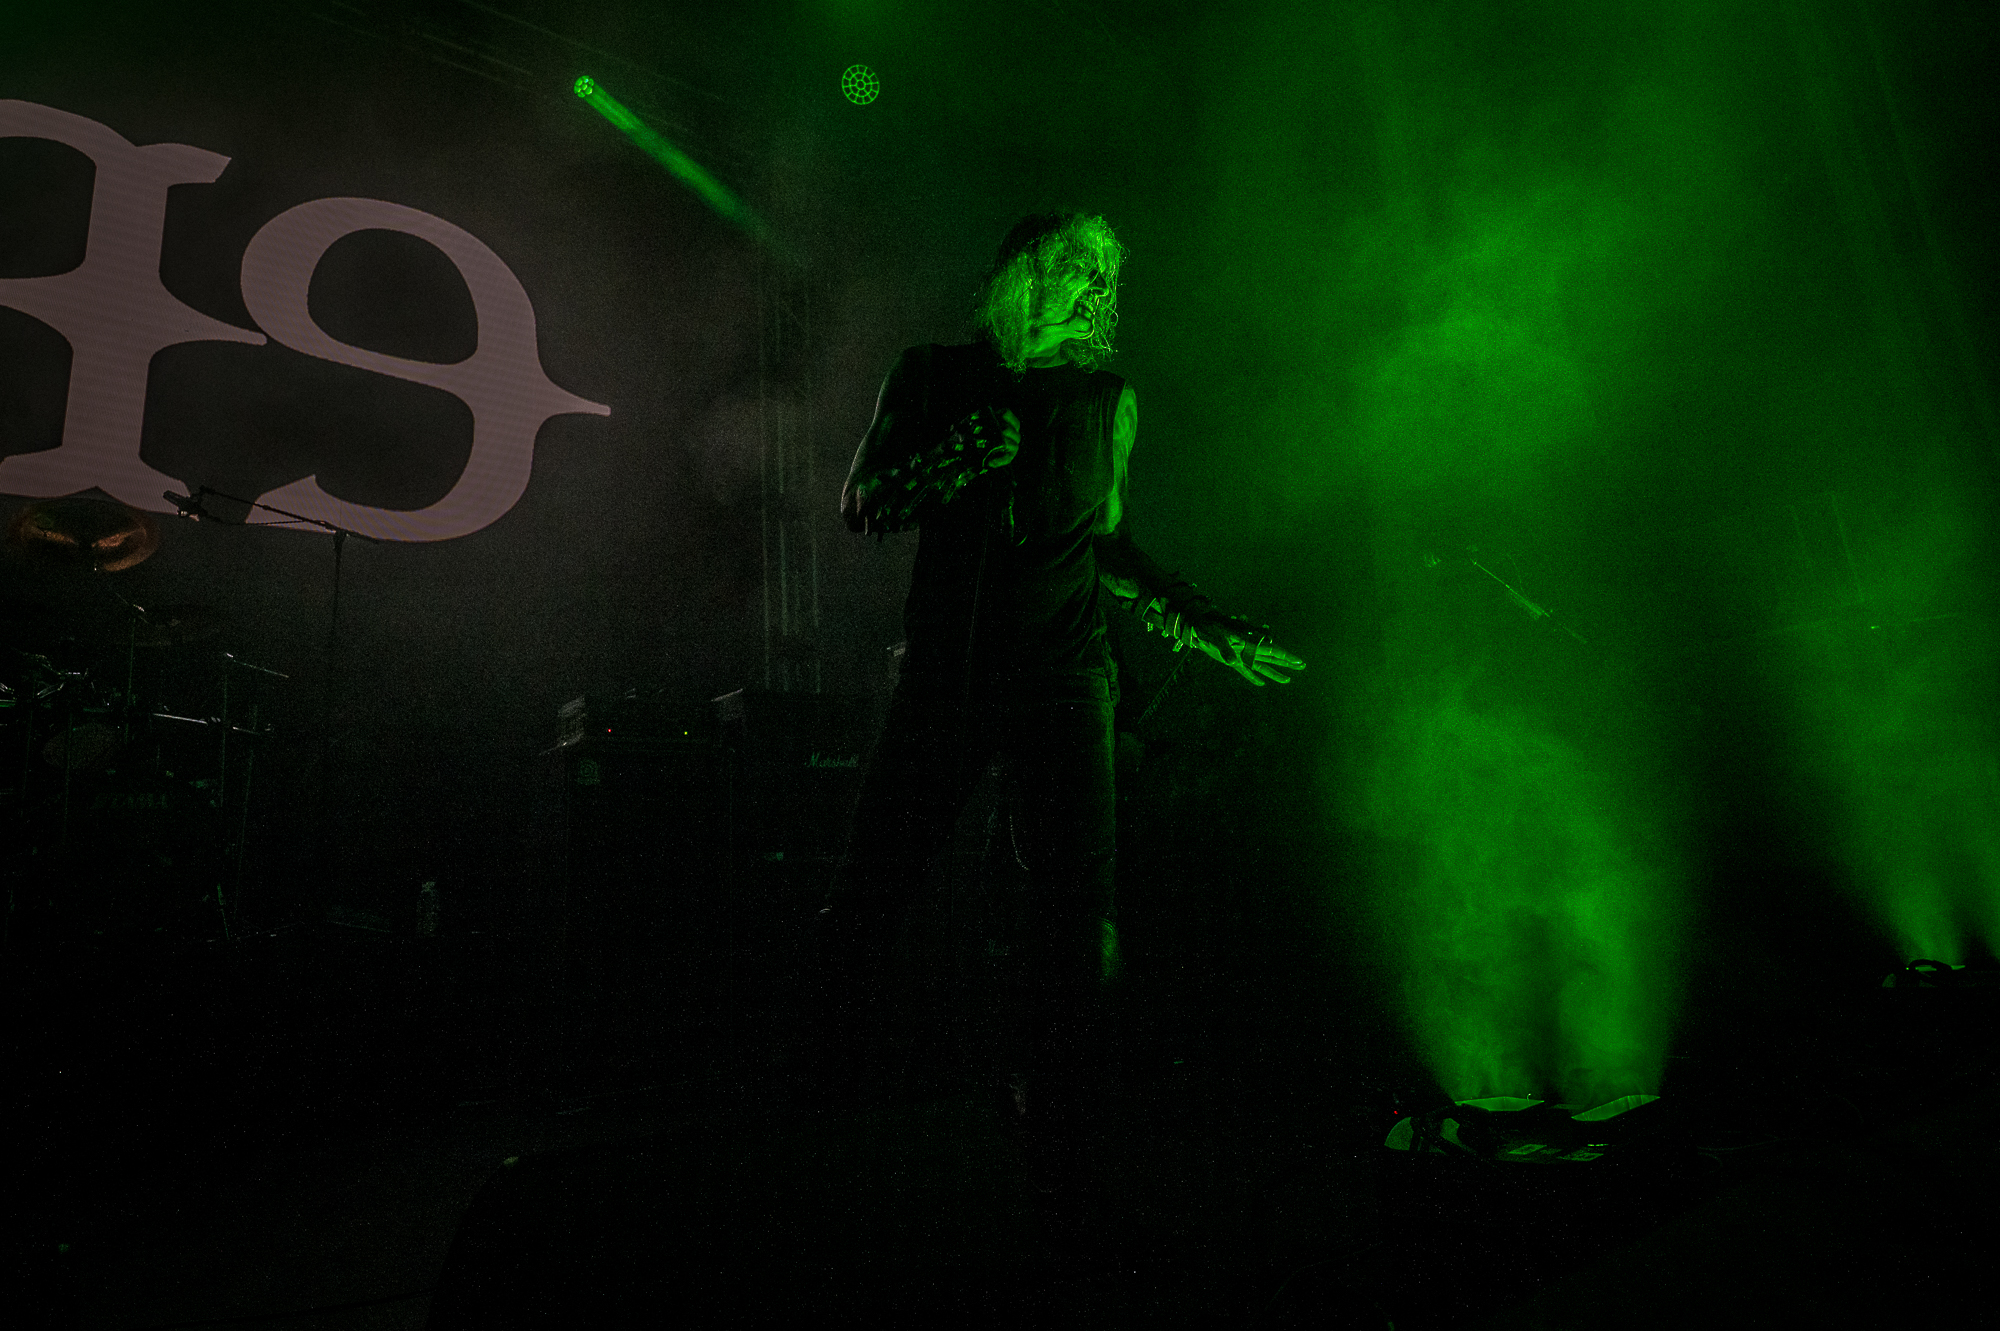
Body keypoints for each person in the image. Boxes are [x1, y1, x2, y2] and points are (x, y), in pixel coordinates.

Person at [808, 211, 1304, 1199]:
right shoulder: (929, 374)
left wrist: (1204, 622)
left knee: (1077, 914)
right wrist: (952, 457)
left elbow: (1104, 541)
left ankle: (1066, 1127)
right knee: (871, 889)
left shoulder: (1103, 400)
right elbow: (861, 501)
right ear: (1023, 273)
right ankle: (814, 1098)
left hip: (1068, 679)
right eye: (1075, 268)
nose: (1091, 289)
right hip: (947, 675)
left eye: (1101, 277)